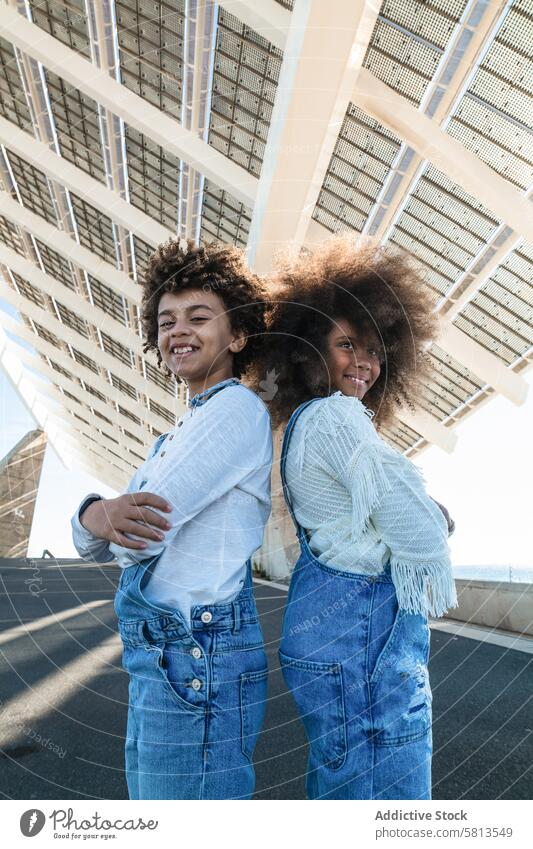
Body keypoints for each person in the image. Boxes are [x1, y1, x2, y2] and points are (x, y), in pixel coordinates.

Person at [250, 234, 457, 800]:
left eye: (373, 349)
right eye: (346, 345)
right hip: (366, 648)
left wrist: (415, 511)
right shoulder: (338, 419)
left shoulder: (306, 425)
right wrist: (437, 521)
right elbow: (416, 528)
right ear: (309, 349)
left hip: (331, 642)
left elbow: (378, 505)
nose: (362, 361)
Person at [71, 240, 272, 799]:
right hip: (168, 655)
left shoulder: (235, 410)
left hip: (196, 654)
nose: (177, 330)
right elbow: (95, 537)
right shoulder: (175, 435)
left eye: (198, 317)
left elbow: (133, 540)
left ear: (237, 336)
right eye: (165, 321)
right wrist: (97, 514)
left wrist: (102, 517)